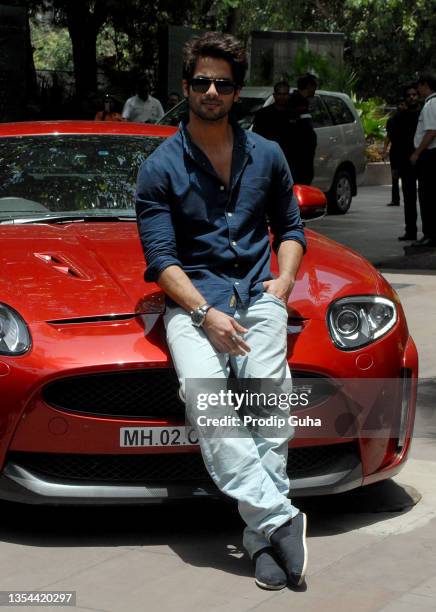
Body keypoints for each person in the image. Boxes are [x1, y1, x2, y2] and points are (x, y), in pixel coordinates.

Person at [136, 31, 307, 590]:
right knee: (206, 401)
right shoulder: (159, 167)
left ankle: (261, 540)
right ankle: (278, 519)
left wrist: (281, 286)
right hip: (194, 304)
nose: (212, 90)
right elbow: (161, 261)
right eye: (202, 81)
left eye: (224, 83)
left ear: (237, 92)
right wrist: (206, 312)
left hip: (260, 296)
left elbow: (291, 229)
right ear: (186, 88)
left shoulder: (269, 155)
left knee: (268, 405)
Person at [383, 86, 421, 240]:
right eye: (409, 95)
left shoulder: (423, 114)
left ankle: (430, 233)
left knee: (428, 199)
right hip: (405, 163)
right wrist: (395, 166)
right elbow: (395, 143)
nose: (412, 97)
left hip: (424, 161)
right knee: (409, 198)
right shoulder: (399, 118)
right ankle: (410, 231)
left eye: (414, 94)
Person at [410, 72, 436, 247]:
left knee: (427, 195)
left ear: (425, 85)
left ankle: (430, 234)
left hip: (430, 154)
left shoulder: (431, 104)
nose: (417, 90)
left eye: (419, 86)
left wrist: (417, 152)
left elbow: (431, 131)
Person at [287, 73, 318, 185]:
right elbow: (302, 128)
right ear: (309, 86)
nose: (315, 90)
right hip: (298, 155)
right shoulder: (296, 102)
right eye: (314, 86)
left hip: (303, 154)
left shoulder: (303, 102)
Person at [252, 80, 293, 163]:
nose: (282, 97)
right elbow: (256, 138)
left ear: (288, 95)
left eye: (285, 94)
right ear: (274, 95)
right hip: (268, 158)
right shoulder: (263, 114)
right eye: (279, 94)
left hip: (289, 159)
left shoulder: (294, 114)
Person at [383, 99, 407, 207]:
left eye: (404, 105)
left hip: (408, 150)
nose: (402, 107)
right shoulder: (391, 120)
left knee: (407, 176)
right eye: (401, 104)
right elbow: (388, 136)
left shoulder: (411, 119)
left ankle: (407, 198)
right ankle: (395, 199)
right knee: (395, 176)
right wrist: (385, 150)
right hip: (395, 151)